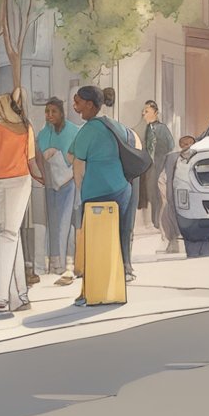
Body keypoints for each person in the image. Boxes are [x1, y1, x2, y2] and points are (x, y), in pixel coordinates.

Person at [69, 86, 135, 307]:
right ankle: (121, 277)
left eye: (78, 103)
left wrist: (81, 191)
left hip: (97, 193)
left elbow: (75, 162)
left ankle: (90, 292)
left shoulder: (88, 130)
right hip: (122, 189)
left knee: (94, 244)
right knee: (119, 236)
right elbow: (137, 145)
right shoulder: (116, 125)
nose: (75, 107)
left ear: (90, 104)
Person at [0, 91, 44, 316]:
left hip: (2, 184)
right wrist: (41, 179)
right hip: (20, 183)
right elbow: (30, 161)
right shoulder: (26, 128)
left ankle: (1, 298)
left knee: (7, 234)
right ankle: (20, 295)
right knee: (12, 235)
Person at [100, 87, 143, 282]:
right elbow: (140, 153)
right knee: (127, 224)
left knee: (103, 225)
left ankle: (109, 267)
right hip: (129, 178)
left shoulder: (97, 126)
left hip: (107, 180)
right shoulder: (128, 129)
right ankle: (126, 265)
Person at [37, 98, 80, 286]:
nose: (50, 115)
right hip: (50, 182)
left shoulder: (73, 130)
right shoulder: (44, 132)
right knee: (53, 223)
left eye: (53, 111)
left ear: (61, 113)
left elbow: (76, 154)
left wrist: (58, 155)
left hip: (68, 181)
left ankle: (63, 263)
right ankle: (54, 262)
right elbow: (41, 154)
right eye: (47, 112)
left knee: (64, 223)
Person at [139, 101, 175, 232]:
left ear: (155, 113)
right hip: (149, 166)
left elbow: (171, 145)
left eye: (147, 111)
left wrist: (161, 156)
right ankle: (154, 223)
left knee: (158, 195)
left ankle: (158, 223)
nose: (144, 114)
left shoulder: (162, 128)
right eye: (144, 111)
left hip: (159, 165)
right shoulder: (147, 129)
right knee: (150, 193)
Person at [160, 135, 195, 254]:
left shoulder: (198, 156)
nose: (187, 146)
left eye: (189, 143)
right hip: (174, 194)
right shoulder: (171, 158)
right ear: (180, 145)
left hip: (193, 194)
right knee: (169, 216)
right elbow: (164, 177)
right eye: (184, 144)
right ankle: (173, 242)